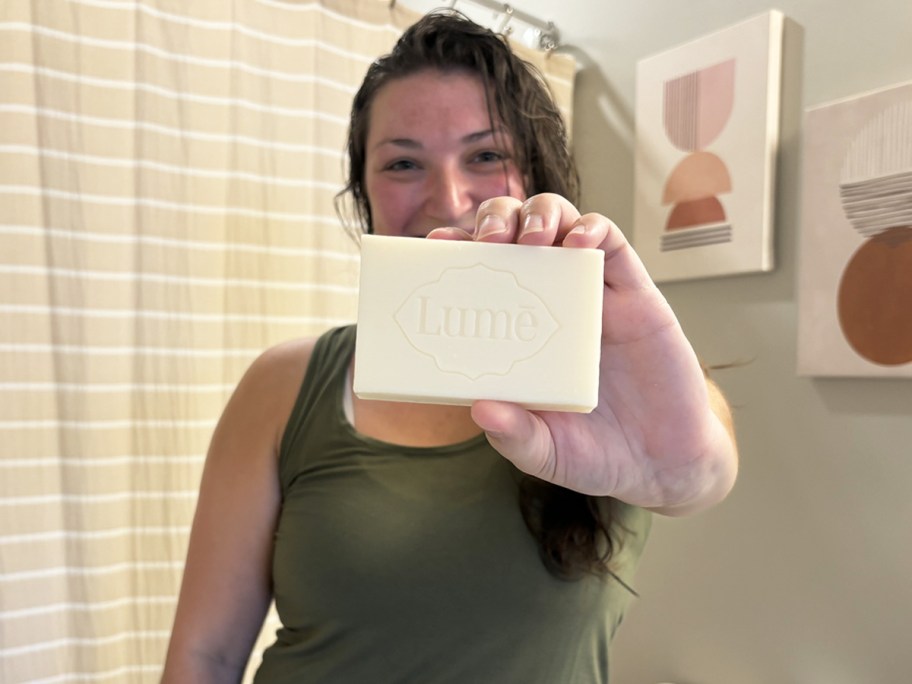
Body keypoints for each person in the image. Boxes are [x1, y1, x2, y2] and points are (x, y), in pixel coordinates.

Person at [161, 11, 738, 684]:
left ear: (536, 173)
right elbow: (204, 657)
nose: (448, 198)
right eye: (403, 162)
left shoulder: (627, 378)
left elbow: (700, 471)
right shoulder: (288, 384)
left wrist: (676, 468)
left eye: (485, 155)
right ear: (364, 194)